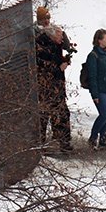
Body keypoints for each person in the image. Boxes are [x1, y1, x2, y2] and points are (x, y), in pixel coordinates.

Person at [34, 22, 74, 153]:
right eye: (59, 36)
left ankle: (64, 142)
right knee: (44, 116)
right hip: (46, 88)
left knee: (63, 113)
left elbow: (57, 57)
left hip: (57, 86)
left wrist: (65, 60)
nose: (62, 39)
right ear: (52, 36)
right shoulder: (41, 45)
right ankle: (40, 144)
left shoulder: (56, 44)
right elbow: (44, 66)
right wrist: (59, 67)